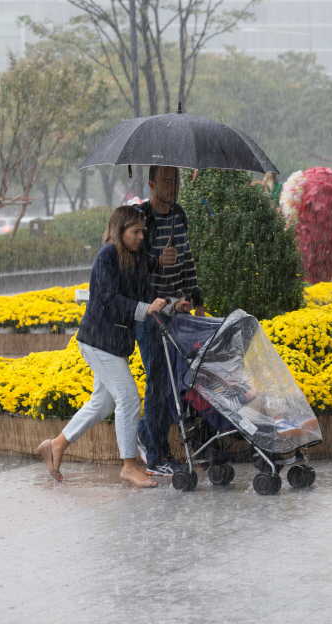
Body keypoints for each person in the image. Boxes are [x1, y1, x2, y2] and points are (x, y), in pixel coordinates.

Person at [36, 206, 188, 488]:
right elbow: (109, 299)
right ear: (120, 231)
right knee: (129, 397)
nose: (142, 236)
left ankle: (55, 445)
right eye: (136, 231)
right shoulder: (107, 254)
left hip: (114, 344)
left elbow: (146, 296)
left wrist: (171, 306)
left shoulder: (136, 256)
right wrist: (147, 307)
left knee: (103, 402)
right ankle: (129, 466)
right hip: (97, 341)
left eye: (143, 230)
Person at [136, 165, 205, 476]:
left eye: (175, 180)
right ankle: (157, 457)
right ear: (151, 184)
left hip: (176, 311)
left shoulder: (179, 215)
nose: (173, 186)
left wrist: (197, 303)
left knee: (175, 382)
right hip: (148, 313)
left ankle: (144, 432)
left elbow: (187, 260)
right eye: (166, 181)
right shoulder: (140, 219)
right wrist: (155, 261)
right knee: (158, 383)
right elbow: (129, 268)